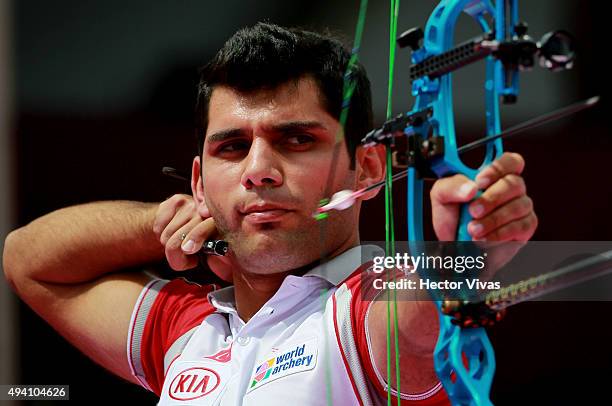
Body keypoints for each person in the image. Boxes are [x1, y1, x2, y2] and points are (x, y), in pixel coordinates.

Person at [2, 23, 537, 405]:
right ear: (199, 182)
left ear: (369, 168)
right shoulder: (187, 331)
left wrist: (466, 251)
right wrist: (160, 222)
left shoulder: (366, 314)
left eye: (298, 140)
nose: (258, 170)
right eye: (231, 148)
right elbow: (27, 257)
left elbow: (425, 315)